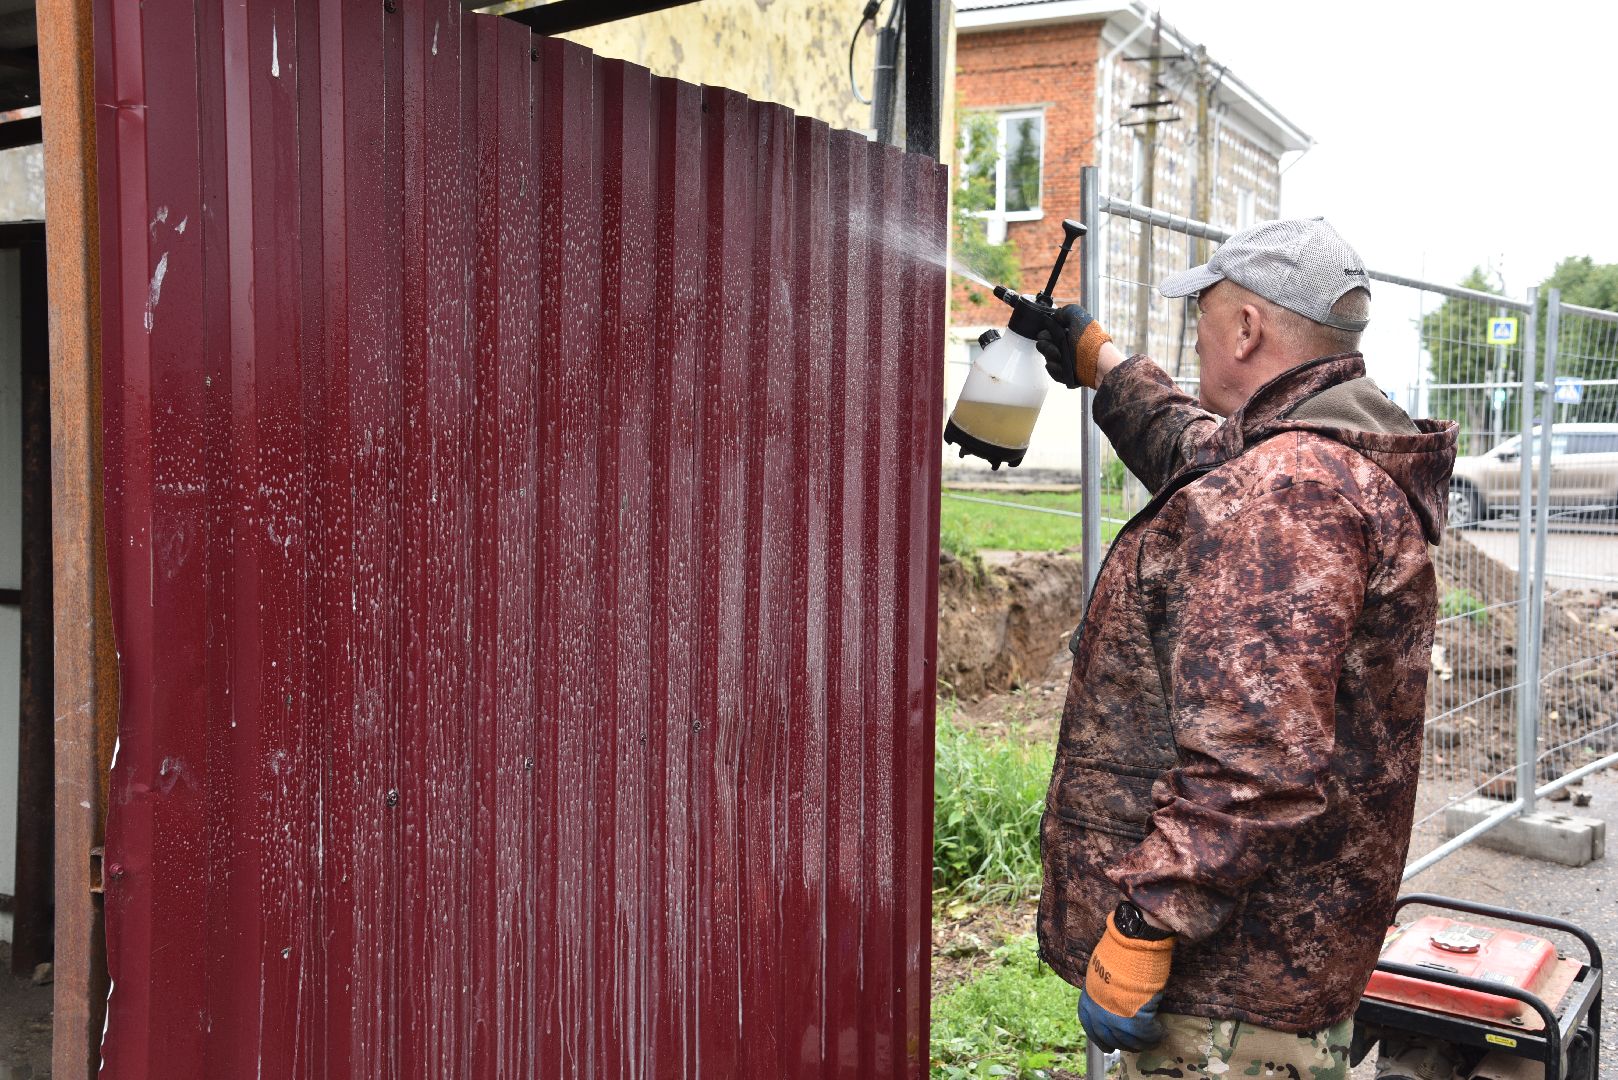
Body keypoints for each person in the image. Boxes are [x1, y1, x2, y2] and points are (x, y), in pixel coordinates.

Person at [1030, 218, 1457, 1079]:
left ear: (1247, 329)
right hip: (1275, 971)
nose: (1196, 340)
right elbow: (1200, 451)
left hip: (1225, 1003)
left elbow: (1252, 762)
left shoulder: (1290, 493)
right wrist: (1103, 363)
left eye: (1203, 317)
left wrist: (1147, 927)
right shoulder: (1326, 451)